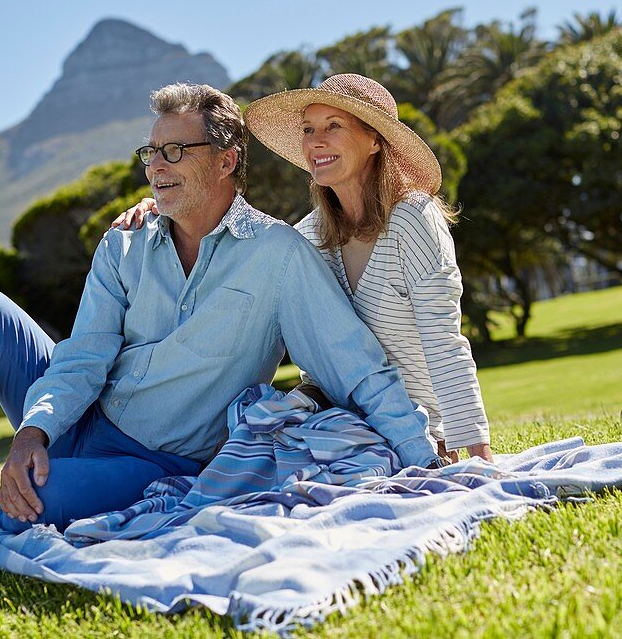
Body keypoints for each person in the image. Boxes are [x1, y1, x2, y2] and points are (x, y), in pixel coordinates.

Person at [0, 83, 439, 581]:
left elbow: (357, 367)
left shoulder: (279, 257)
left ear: (226, 159)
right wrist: (33, 429)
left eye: (176, 150)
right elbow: (83, 356)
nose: (156, 166)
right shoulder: (124, 241)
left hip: (158, 462)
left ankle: (12, 498)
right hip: (80, 419)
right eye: (150, 152)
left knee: (32, 505)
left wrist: (425, 464)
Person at [114, 74, 491, 462]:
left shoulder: (413, 218)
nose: (315, 141)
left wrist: (476, 447)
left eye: (334, 126)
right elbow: (232, 230)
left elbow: (444, 341)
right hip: (330, 418)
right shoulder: (306, 236)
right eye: (308, 129)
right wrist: (163, 209)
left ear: (376, 139)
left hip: (412, 428)